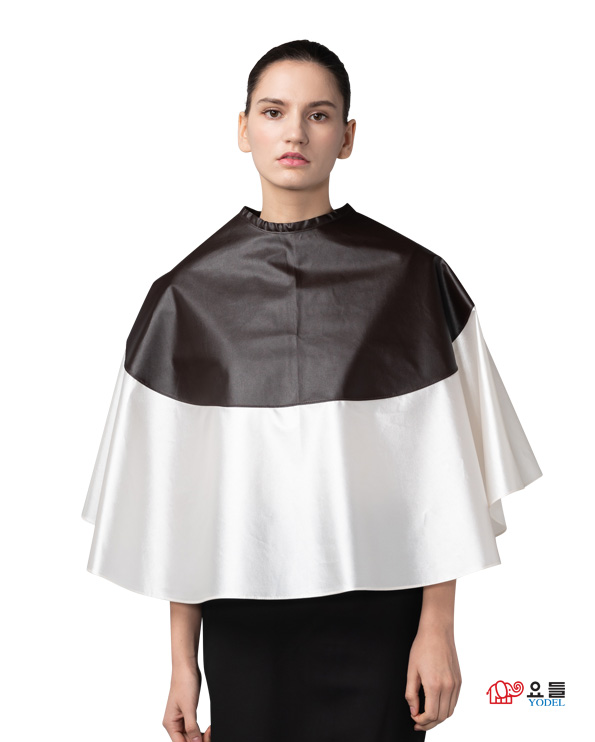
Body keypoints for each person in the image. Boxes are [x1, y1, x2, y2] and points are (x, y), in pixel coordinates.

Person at [81, 40, 543, 741]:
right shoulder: (185, 296)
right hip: (244, 625)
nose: (294, 132)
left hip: (380, 616)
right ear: (243, 129)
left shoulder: (411, 279)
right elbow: (185, 503)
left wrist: (438, 628)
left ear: (347, 136)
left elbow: (441, 479)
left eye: (318, 115)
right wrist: (181, 662)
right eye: (273, 112)